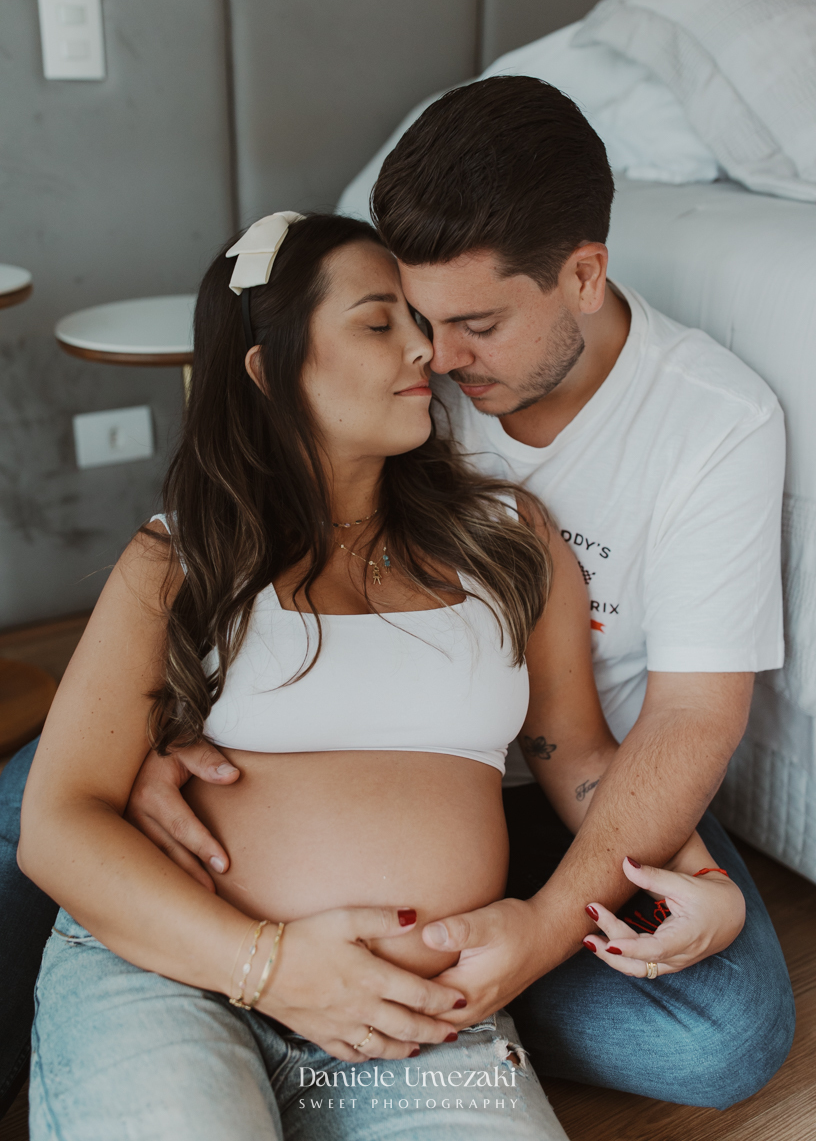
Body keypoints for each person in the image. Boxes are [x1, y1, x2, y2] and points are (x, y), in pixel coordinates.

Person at [116, 77, 795, 1109]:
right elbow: (249, 550)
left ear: (583, 273)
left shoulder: (715, 425)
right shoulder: (403, 374)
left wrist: (547, 927)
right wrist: (158, 735)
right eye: (415, 317)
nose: (436, 357)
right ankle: (319, 976)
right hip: (318, 750)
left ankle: (368, 991)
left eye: (475, 323)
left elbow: (688, 718)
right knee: (34, 808)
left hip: (575, 791)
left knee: (724, 1037)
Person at [17, 213, 746, 1140]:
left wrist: (702, 876)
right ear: (268, 370)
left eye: (420, 318)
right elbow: (57, 822)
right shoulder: (182, 559)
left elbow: (582, 758)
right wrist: (269, 965)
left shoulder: (509, 540)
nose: (426, 349)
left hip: (420, 1016)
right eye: (377, 323)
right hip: (171, 969)